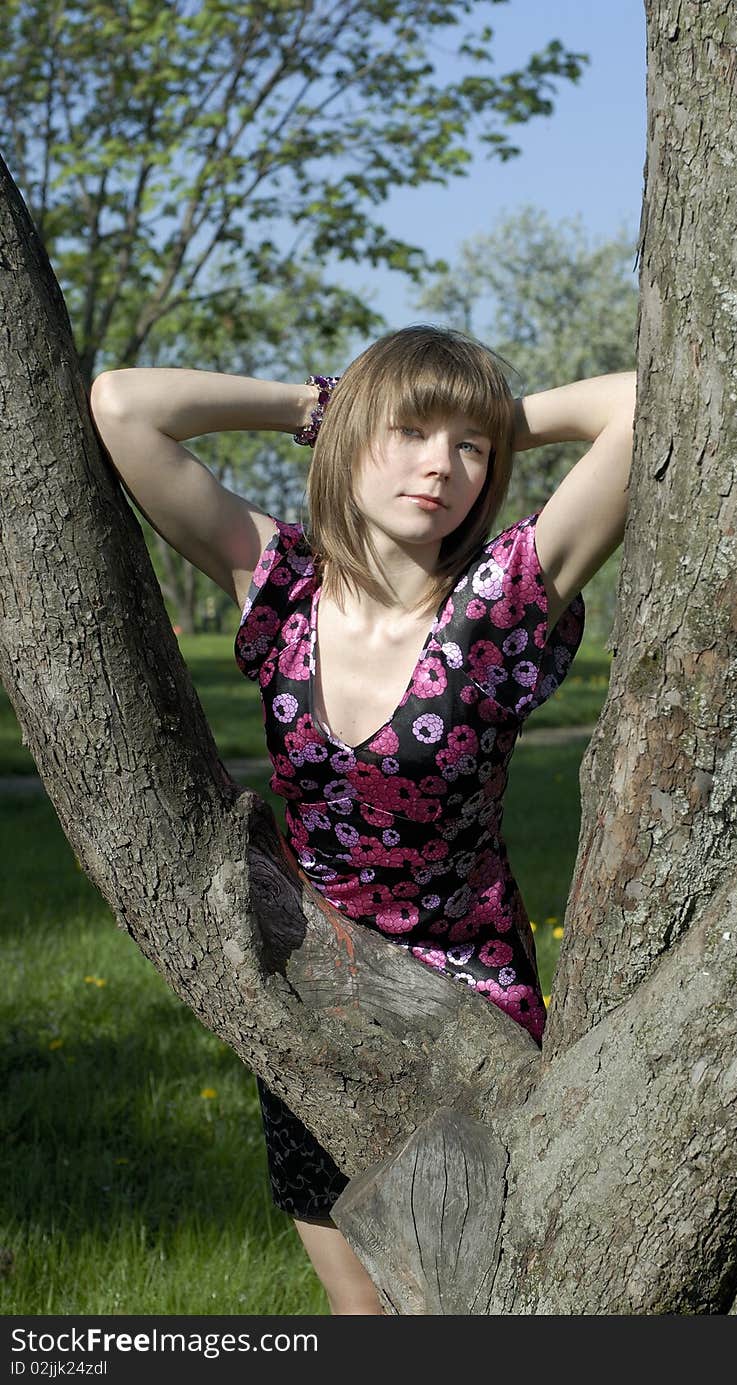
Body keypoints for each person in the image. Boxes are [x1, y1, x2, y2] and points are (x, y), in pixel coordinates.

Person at [89, 324, 636, 1315]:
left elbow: (642, 405)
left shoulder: (500, 599)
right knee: (360, 1313)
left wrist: (499, 421)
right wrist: (315, 403)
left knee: (457, 1306)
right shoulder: (280, 585)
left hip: (468, 1013)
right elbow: (124, 405)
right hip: (315, 1000)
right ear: (349, 434)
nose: (442, 465)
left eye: (469, 448)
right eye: (411, 430)